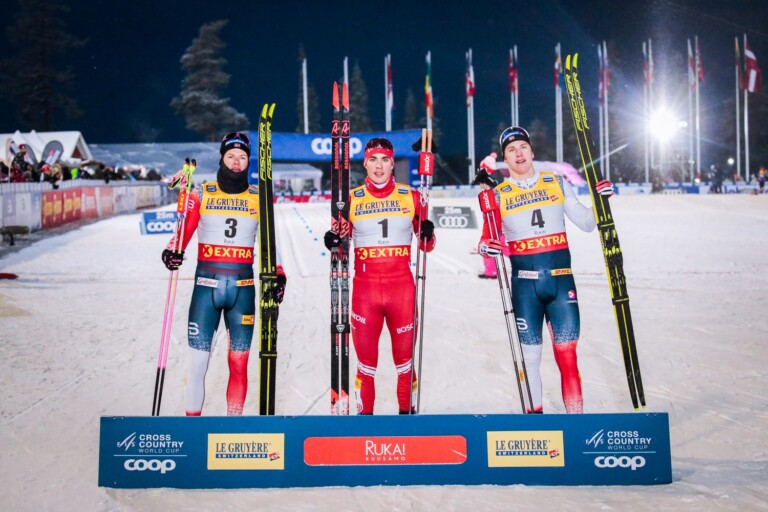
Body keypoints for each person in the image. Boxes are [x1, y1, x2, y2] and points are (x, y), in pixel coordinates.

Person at [477, 126, 614, 414]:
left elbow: (587, 223)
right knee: (529, 360)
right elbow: (487, 240)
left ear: (532, 151)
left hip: (561, 283)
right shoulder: (498, 195)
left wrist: (601, 200)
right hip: (525, 288)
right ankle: (535, 426)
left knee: (568, 357)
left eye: (523, 147)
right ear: (505, 158)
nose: (518, 153)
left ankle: (576, 425)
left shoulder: (557, 182)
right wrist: (487, 247)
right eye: (511, 150)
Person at [161, 132, 287, 416]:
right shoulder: (202, 193)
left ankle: (234, 426)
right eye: (231, 156)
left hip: (243, 290)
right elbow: (181, 237)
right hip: (205, 289)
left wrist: (278, 272)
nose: (236, 162)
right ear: (221, 158)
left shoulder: (258, 197)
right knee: (197, 364)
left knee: (239, 364)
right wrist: (171, 252)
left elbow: (269, 243)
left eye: (242, 157)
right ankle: (192, 426)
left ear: (249, 161)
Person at [324, 137, 436, 415]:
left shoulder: (411, 196)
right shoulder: (351, 199)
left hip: (402, 292)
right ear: (365, 163)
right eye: (373, 159)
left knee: (405, 364)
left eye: (385, 160)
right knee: (365, 366)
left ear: (392, 164)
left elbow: (426, 247)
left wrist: (428, 232)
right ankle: (364, 426)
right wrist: (333, 242)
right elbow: (340, 247)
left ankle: (407, 423)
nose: (379, 166)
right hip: (366, 294)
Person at [473, 152, 509, 279]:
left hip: (495, 213)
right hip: (491, 213)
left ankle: (522, 259)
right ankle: (490, 270)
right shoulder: (490, 176)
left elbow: (495, 191)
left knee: (494, 242)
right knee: (491, 242)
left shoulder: (493, 177)